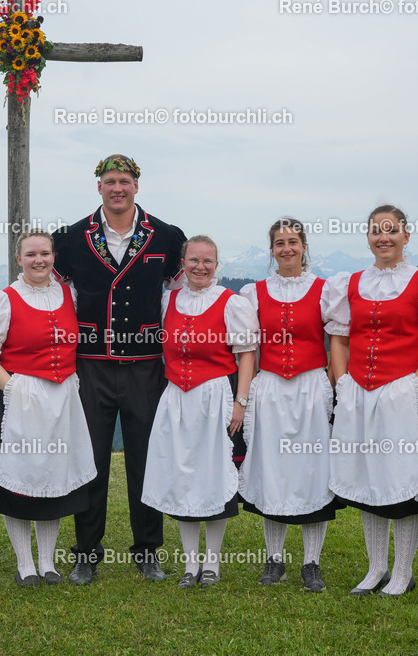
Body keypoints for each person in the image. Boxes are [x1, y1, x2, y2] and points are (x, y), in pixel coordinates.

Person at [52, 154, 187, 585]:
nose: (117, 189)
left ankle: (147, 550)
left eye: (124, 182)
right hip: (90, 365)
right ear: (99, 187)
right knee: (89, 460)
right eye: (110, 181)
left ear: (136, 187)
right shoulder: (69, 238)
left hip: (146, 366)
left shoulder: (167, 236)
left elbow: (178, 295)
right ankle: (86, 553)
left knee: (146, 460)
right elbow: (57, 296)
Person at [327, 205, 418, 597]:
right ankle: (376, 567)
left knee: (401, 477)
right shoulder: (351, 283)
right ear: (367, 238)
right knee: (368, 476)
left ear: (406, 236)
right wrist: (343, 382)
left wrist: (413, 385)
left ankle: (403, 571)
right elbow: (339, 339)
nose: (384, 238)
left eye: (391, 230)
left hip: (400, 395)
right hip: (359, 393)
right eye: (376, 231)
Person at [0, 231, 98, 586]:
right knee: (21, 477)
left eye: (45, 253)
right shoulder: (5, 299)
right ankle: (25, 562)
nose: (39, 260)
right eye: (31, 254)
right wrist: (13, 388)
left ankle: (47, 561)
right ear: (19, 259)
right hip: (23, 398)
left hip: (62, 398)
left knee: (54, 475)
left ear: (54, 257)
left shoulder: (68, 295)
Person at [140, 235, 256, 588]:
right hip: (177, 398)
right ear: (183, 263)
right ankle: (191, 565)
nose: (200, 267)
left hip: (215, 396)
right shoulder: (169, 300)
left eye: (207, 261)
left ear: (216, 265)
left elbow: (246, 354)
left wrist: (240, 402)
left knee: (212, 477)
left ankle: (212, 563)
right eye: (193, 260)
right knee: (183, 478)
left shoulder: (230, 302)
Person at [237, 218, 342, 593]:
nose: (287, 248)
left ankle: (312, 562)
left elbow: (338, 339)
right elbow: (248, 349)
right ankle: (275, 559)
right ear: (272, 250)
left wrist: (334, 381)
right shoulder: (254, 293)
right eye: (280, 243)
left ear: (304, 247)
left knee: (313, 471)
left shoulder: (325, 290)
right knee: (273, 470)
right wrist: (246, 394)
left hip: (311, 387)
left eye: (293, 241)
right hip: (270, 390)